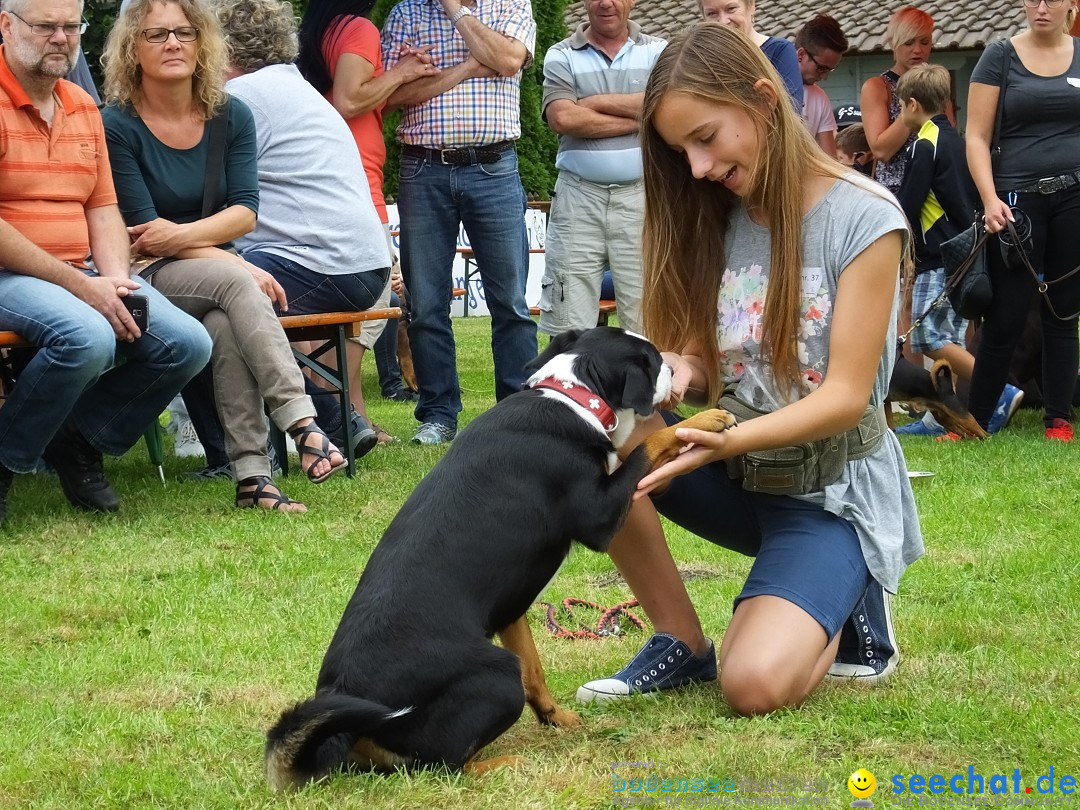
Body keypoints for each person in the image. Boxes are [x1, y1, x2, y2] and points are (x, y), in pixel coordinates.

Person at [573, 23, 923, 714]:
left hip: (829, 494)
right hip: (735, 473)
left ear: (764, 100)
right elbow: (707, 359)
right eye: (682, 152)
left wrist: (727, 439)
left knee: (754, 686)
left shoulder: (865, 219)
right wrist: (673, 370)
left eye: (705, 139)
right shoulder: (710, 212)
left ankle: (855, 606)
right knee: (591, 422)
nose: (697, 168)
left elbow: (849, 398)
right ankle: (680, 640)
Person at [101, 0, 347, 512]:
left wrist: (211, 247)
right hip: (145, 272)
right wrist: (238, 263)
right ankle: (305, 424)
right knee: (237, 286)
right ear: (131, 48)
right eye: (156, 35)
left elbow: (245, 214)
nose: (173, 43)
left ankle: (253, 477)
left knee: (225, 323)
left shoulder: (229, 113)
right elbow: (146, 235)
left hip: (210, 269)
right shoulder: (116, 124)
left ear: (203, 42)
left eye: (185, 32)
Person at [0, 0, 212, 527]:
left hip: (78, 273)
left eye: (71, 27)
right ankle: (6, 461)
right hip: (10, 275)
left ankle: (80, 440)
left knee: (187, 344)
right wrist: (83, 286)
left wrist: (116, 278)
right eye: (46, 26)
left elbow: (102, 205)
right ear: (6, 24)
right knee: (87, 337)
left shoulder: (81, 105)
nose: (60, 38)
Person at [216, 0, 392, 448]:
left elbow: (210, 200)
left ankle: (320, 426)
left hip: (328, 264)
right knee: (234, 294)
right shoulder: (293, 85)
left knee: (224, 305)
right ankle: (336, 423)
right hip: (359, 263)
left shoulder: (243, 98)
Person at [381, 0, 539, 445]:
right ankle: (438, 413)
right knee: (426, 302)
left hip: (494, 166)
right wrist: (472, 65)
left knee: (510, 301)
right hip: (423, 167)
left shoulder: (511, 3)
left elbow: (509, 60)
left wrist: (454, 13)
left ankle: (516, 411)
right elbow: (393, 95)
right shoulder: (406, 13)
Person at [297, 0, 436, 422]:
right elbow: (349, 100)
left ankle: (355, 417)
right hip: (353, 185)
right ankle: (331, 410)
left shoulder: (322, 28)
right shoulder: (358, 28)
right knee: (376, 301)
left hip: (327, 178)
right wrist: (402, 72)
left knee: (343, 313)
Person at [966, 0, 1080, 442]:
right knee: (1006, 315)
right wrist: (990, 198)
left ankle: (1058, 419)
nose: (1041, 7)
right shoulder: (1000, 56)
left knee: (1063, 311)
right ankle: (974, 419)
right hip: (1015, 204)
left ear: (1071, 5)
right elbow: (974, 135)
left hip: (1074, 196)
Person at [893, 64, 1024, 438]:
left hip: (940, 255)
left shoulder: (924, 143)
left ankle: (999, 392)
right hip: (966, 254)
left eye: (901, 106)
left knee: (928, 338)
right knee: (944, 338)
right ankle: (940, 414)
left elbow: (908, 202)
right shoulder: (960, 139)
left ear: (913, 104)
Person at [537, 0, 665, 336]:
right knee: (568, 323)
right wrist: (643, 116)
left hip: (643, 196)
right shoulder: (560, 54)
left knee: (649, 321)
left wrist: (594, 103)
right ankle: (571, 389)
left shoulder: (658, 52)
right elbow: (563, 117)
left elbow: (668, 109)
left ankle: (644, 388)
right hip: (578, 197)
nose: (606, 3)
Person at [860, 6, 936, 194]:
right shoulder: (878, 87)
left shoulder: (936, 85)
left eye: (924, 42)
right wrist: (913, 108)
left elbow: (946, 140)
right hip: (896, 192)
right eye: (909, 42)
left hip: (935, 189)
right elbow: (881, 151)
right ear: (894, 43)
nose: (917, 50)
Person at [700, 0, 802, 109]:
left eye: (731, 9)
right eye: (712, 13)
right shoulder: (701, 61)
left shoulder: (779, 51)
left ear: (751, 6)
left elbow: (791, 113)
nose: (723, 21)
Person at [794, 14, 847, 158]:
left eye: (830, 70)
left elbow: (830, 158)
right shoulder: (770, 86)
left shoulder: (820, 97)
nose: (825, 77)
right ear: (801, 54)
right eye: (822, 68)